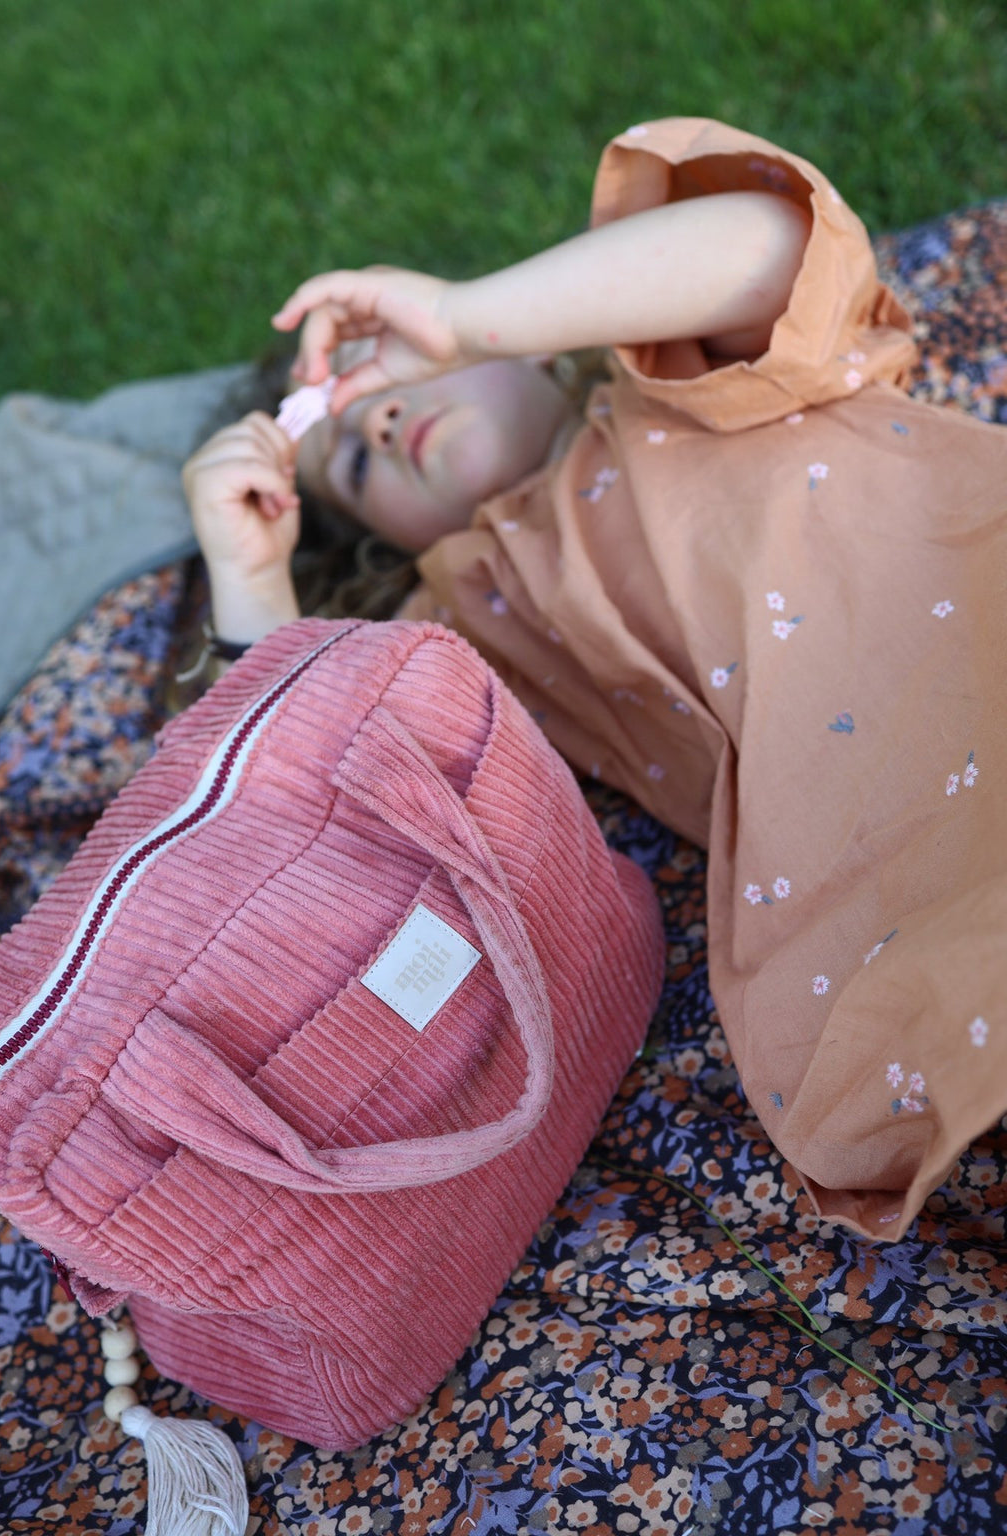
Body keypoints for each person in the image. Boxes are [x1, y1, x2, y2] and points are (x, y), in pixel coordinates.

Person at [183, 118, 1007, 1241]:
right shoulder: (463, 624)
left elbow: (765, 241)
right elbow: (310, 808)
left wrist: (465, 311)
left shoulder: (681, 373)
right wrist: (251, 584)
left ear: (544, 339)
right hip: (886, 845)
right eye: (353, 457)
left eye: (382, 375)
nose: (377, 412)